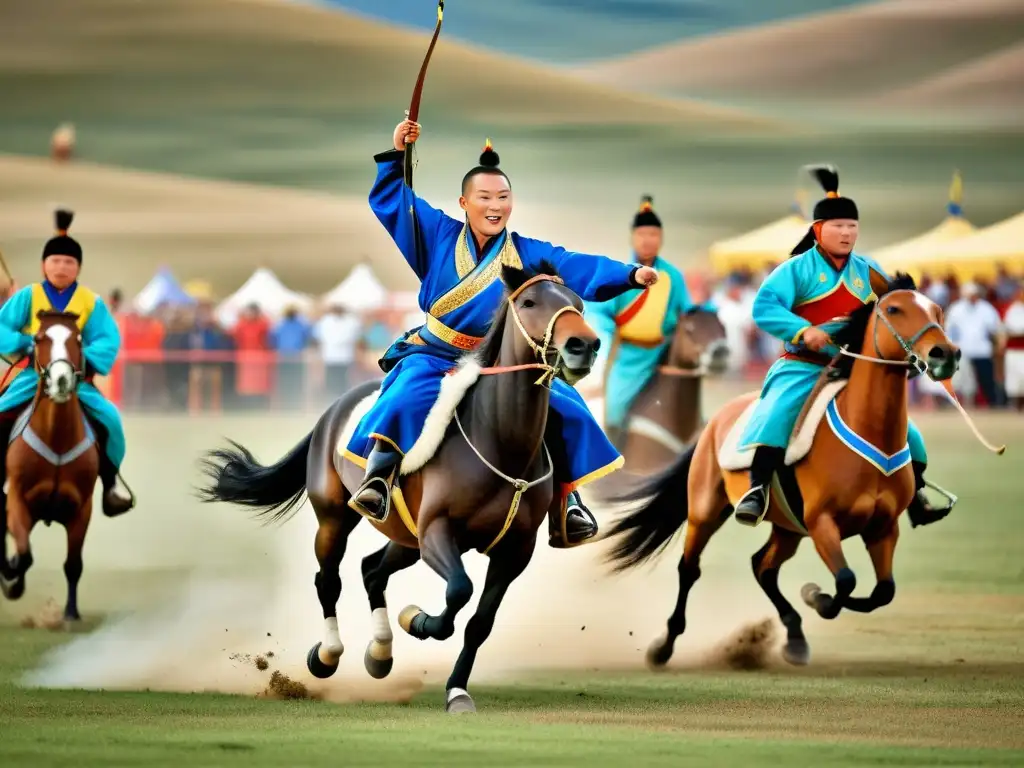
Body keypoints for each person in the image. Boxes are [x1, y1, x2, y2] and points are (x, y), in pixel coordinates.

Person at [344, 119, 658, 546]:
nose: (495, 205)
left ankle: (568, 501)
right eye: (485, 197)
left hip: (498, 361)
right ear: (464, 202)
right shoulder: (437, 234)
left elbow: (571, 264)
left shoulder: (527, 253)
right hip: (435, 353)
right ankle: (378, 480)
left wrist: (629, 273)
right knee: (407, 394)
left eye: (504, 197)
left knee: (564, 401)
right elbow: (396, 204)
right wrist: (397, 154)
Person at [733, 167, 952, 529]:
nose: (847, 233)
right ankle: (756, 490)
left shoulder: (869, 270)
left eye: (852, 226)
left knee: (908, 434)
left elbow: (894, 314)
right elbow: (765, 307)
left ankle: (917, 494)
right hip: (803, 365)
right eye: (838, 226)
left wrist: (913, 349)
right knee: (777, 413)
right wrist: (803, 331)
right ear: (818, 230)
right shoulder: (796, 269)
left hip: (856, 368)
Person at [0, 210, 133, 516]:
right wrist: (23, 343)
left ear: (78, 267)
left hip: (76, 381)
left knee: (112, 421)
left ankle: (110, 486)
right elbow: (2, 326)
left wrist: (81, 358)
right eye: (55, 260)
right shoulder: (28, 296)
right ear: (44, 265)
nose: (62, 266)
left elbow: (107, 339)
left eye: (69, 262)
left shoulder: (91, 301)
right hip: (32, 378)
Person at [586, 196, 695, 448]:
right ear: (633, 237)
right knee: (613, 410)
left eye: (654, 234)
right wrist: (606, 332)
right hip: (626, 357)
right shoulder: (620, 272)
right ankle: (615, 455)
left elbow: (686, 311)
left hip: (663, 354)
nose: (648, 240)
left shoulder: (672, 276)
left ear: (661, 238)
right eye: (643, 234)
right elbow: (600, 311)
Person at [945, 282, 1003, 408]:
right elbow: (949, 329)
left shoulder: (986, 308)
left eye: (974, 295)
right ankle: (965, 404)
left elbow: (995, 329)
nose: (972, 297)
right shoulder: (956, 309)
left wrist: (997, 345)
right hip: (963, 349)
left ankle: (992, 403)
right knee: (964, 380)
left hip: (982, 350)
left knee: (986, 378)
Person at [1003, 282, 1024, 411]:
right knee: (1014, 377)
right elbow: (1009, 330)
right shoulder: (1013, 309)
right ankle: (1016, 404)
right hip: (1014, 349)